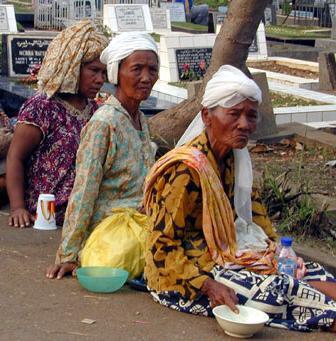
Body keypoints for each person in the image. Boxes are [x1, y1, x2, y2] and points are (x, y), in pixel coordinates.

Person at [143, 65, 336, 332]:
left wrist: (276, 255)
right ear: (206, 116)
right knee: (280, 290)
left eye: (251, 116)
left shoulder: (236, 159)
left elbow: (258, 222)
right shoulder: (184, 170)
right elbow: (160, 246)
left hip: (231, 256)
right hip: (185, 277)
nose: (244, 124)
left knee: (309, 272)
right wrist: (208, 285)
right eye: (234, 114)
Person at [46, 32, 159, 279]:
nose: (146, 77)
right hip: (110, 232)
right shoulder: (104, 123)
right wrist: (68, 254)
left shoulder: (139, 118)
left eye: (152, 69)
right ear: (116, 73)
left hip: (139, 222)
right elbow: (84, 190)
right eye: (137, 69)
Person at [6, 20, 108, 228]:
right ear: (71, 67)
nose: (100, 79)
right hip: (47, 212)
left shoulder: (95, 111)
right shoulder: (43, 107)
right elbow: (15, 157)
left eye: (104, 73)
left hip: (83, 209)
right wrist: (17, 207)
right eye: (93, 70)